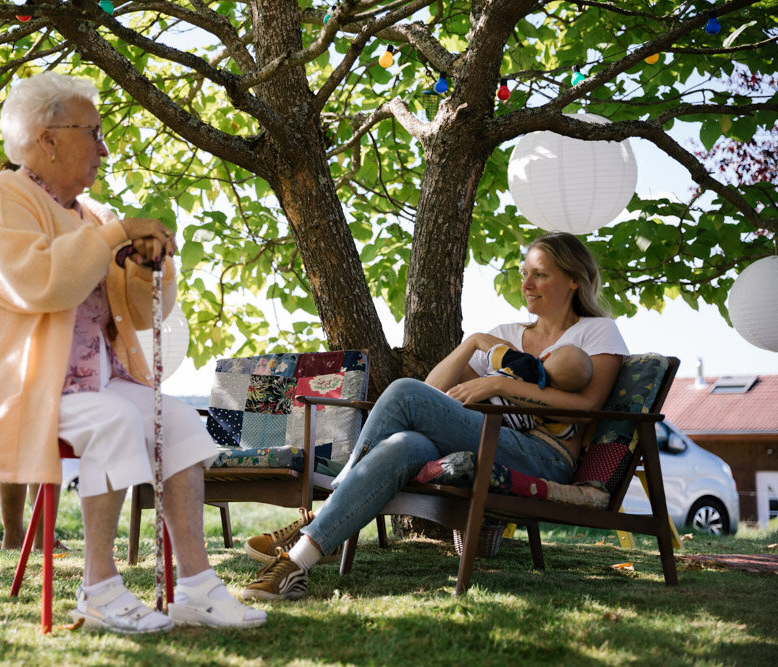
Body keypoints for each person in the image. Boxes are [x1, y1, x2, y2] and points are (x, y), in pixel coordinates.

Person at [0, 72, 265, 633]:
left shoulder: (87, 216)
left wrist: (147, 266)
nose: (104, 148)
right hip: (25, 385)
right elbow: (43, 283)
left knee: (182, 424)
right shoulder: (1, 198)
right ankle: (99, 590)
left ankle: (195, 588)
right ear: (48, 139)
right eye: (93, 132)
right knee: (115, 421)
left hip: (92, 383)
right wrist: (117, 233)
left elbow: (142, 317)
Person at [241, 232, 629, 600]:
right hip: (493, 437)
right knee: (404, 444)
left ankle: (325, 506)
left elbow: (589, 407)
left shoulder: (596, 331)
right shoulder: (505, 334)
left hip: (545, 456)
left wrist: (499, 386)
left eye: (540, 275)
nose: (526, 283)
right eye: (524, 273)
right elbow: (434, 386)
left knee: (403, 391)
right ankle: (297, 562)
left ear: (574, 280)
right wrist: (473, 341)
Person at [483, 342, 592, 434]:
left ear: (545, 356)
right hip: (506, 429)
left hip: (484, 399)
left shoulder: (526, 361)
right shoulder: (549, 402)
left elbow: (494, 354)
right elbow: (565, 432)